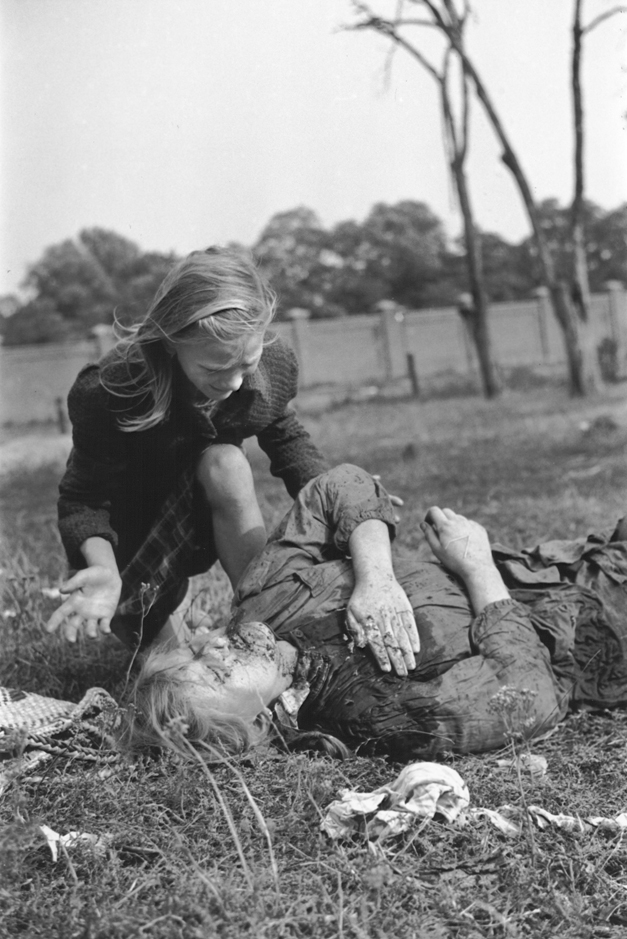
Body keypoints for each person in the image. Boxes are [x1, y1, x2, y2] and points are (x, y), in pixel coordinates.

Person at [126, 464, 627, 761]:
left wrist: (376, 576)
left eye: (196, 648)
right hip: (603, 625)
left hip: (565, 560)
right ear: (249, 728)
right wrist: (476, 568)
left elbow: (339, 486)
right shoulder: (374, 716)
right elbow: (528, 698)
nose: (216, 643)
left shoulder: (266, 598)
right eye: (216, 671)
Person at [47, 247, 334, 651]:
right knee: (177, 676)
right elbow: (82, 500)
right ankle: (157, 617)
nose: (234, 383)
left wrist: (334, 496)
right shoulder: (110, 391)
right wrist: (104, 570)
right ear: (170, 343)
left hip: (202, 520)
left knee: (227, 462)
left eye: (245, 364)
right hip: (135, 540)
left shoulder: (272, 366)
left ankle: (264, 615)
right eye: (215, 369)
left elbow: (285, 434)